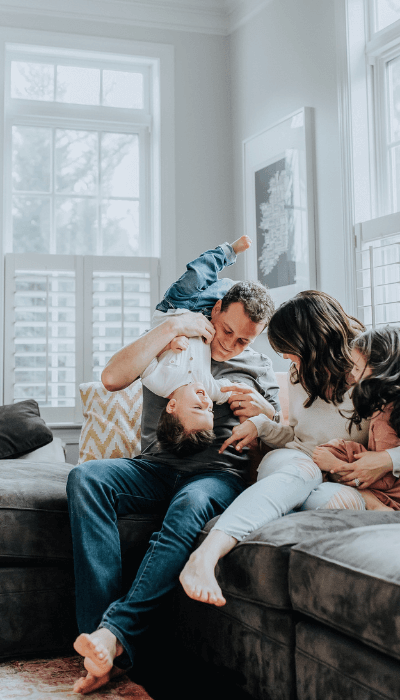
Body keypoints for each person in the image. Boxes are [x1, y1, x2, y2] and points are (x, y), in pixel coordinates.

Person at [66, 252, 280, 693]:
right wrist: (169, 328)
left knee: (190, 503)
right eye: (227, 332)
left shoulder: (258, 367)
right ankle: (100, 643)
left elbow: (280, 435)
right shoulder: (176, 340)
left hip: (216, 475)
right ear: (215, 310)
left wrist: (263, 415)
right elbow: (110, 378)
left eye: (245, 341)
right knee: (86, 479)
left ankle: (113, 635)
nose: (232, 345)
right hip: (155, 467)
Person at [179, 291, 400, 608]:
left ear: (313, 342)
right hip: (296, 459)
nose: (286, 359)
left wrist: (382, 460)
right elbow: (296, 435)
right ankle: (206, 555)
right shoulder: (299, 374)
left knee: (326, 500)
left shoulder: (371, 366)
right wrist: (261, 425)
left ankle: (250, 541)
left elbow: (383, 441)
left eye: (289, 350)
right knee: (302, 471)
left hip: (341, 478)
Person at [142, 236, 251, 454]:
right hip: (204, 316)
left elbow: (145, 351)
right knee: (231, 290)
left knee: (199, 272)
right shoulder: (209, 389)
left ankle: (228, 251)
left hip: (176, 306)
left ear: (172, 407)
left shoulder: (158, 382)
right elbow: (233, 392)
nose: (205, 401)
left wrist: (167, 345)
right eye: (209, 410)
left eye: (196, 407)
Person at [313, 326, 400, 511]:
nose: (352, 374)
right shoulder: (383, 406)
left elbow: (385, 478)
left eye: (358, 367)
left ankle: (376, 505)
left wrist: (337, 465)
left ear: (381, 369)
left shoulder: (388, 415)